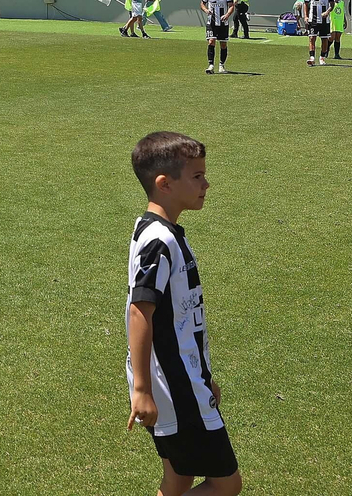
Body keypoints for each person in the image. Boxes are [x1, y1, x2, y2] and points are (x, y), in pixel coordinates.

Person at [126, 132, 242, 496]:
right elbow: (140, 311)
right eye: (197, 176)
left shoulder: (167, 233)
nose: (207, 184)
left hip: (185, 379)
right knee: (226, 485)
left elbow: (178, 319)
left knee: (179, 477)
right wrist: (142, 389)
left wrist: (203, 376)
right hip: (172, 384)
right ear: (164, 184)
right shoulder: (159, 240)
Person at [200, 0, 233, 74]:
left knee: (223, 44)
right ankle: (211, 65)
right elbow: (202, 3)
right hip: (212, 22)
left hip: (223, 23)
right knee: (211, 41)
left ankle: (221, 65)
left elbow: (231, 5)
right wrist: (206, 10)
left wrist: (227, 15)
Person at [303, 0, 333, 67]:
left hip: (324, 20)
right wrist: (306, 16)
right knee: (312, 37)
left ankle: (322, 57)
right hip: (313, 19)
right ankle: (312, 58)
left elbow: (332, 4)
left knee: (324, 39)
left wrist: (327, 12)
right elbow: (306, 4)